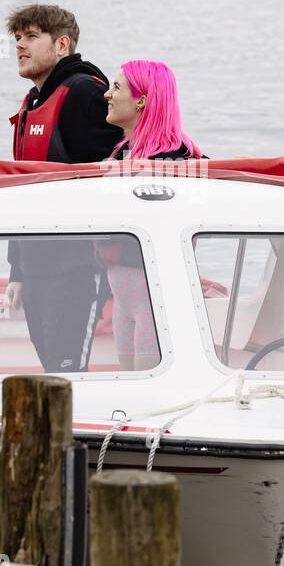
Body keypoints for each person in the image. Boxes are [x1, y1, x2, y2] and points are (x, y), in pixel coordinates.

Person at [4, 4, 120, 373]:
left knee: (68, 372)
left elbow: (117, 171)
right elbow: (22, 191)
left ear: (62, 44)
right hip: (38, 263)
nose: (20, 45)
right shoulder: (34, 103)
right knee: (52, 369)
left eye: (31, 36)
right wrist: (17, 271)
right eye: (17, 38)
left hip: (78, 268)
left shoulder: (85, 92)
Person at [101, 59, 204, 370]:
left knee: (149, 379)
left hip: (154, 299)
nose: (107, 94)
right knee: (128, 379)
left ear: (142, 100)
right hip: (121, 296)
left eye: (116, 87)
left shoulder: (179, 161)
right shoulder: (121, 154)